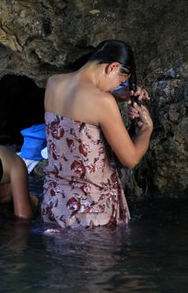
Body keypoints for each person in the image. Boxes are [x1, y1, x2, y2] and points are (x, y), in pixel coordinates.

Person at [41, 39, 153, 228]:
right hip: (92, 213)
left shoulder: (53, 83)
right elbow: (130, 159)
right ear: (113, 67)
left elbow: (77, 105)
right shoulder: (103, 102)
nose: (116, 87)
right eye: (120, 81)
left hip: (55, 205)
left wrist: (120, 94)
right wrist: (147, 129)